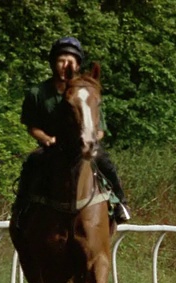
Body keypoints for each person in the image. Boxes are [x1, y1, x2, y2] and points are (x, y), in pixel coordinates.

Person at [13, 36, 131, 224]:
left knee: (105, 162)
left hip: (83, 145)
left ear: (76, 65)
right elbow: (32, 126)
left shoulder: (87, 93)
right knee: (31, 163)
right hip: (53, 147)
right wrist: (46, 138)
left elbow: (100, 129)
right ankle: (21, 209)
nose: (65, 64)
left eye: (70, 61)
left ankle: (120, 204)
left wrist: (92, 139)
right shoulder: (37, 93)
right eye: (61, 60)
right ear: (53, 63)